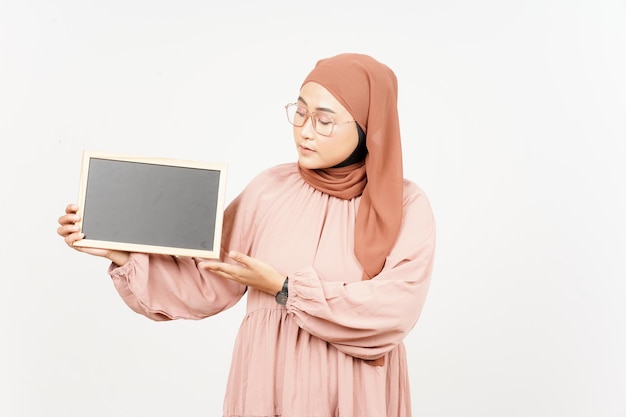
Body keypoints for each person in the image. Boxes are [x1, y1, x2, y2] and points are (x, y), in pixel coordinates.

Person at [57, 52, 436, 417]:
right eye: (300, 112)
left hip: (353, 391)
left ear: (368, 126)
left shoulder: (405, 205)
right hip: (266, 384)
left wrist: (284, 289)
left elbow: (394, 310)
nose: (305, 131)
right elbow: (207, 278)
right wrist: (121, 253)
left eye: (324, 121)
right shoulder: (269, 189)